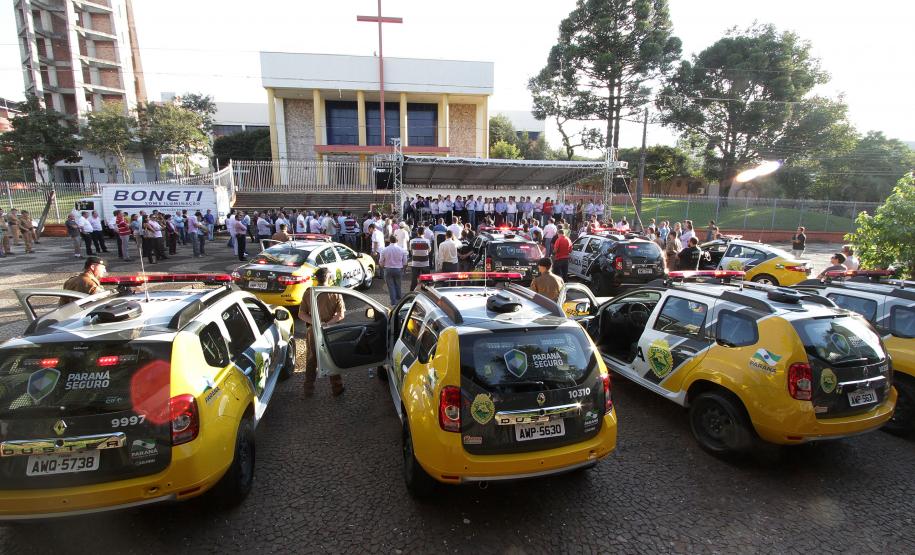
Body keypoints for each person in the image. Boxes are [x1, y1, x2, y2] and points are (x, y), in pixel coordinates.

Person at [298, 267, 346, 397]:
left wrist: (316, 323)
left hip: (313, 330)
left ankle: (308, 390)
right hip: (330, 331)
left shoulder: (309, 292)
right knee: (331, 357)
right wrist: (327, 323)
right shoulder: (335, 292)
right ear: (328, 278)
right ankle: (337, 387)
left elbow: (301, 314)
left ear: (317, 279)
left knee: (311, 360)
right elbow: (341, 315)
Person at [379, 236, 408, 305]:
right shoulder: (402, 250)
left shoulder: (384, 250)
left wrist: (383, 267)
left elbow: (381, 261)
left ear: (389, 241)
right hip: (398, 269)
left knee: (391, 287)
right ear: (397, 241)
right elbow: (405, 262)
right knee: (398, 285)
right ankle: (399, 301)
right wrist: (403, 269)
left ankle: (393, 302)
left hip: (388, 269)